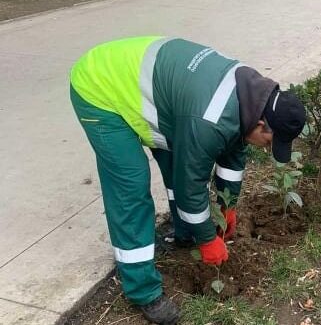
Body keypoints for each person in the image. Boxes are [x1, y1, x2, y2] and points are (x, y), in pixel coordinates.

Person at [70, 37, 306, 324]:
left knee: (174, 159)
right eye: (269, 142)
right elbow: (189, 186)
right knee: (130, 185)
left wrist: (227, 206)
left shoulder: (252, 95)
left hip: (154, 93)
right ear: (260, 124)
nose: (268, 148)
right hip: (100, 87)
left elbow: (233, 154)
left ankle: (183, 233)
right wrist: (207, 238)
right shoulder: (208, 119)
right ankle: (143, 290)